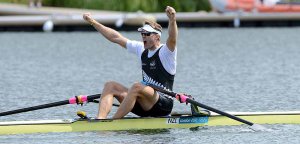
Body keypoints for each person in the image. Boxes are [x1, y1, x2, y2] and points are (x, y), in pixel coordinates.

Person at [83, 6, 178, 119]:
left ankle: (113, 122)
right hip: (144, 104)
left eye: (147, 34)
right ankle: (100, 121)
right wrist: (93, 22)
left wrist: (172, 20)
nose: (143, 36)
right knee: (110, 85)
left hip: (163, 105)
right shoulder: (141, 48)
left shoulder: (166, 52)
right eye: (142, 34)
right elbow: (115, 37)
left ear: (157, 37)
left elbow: (172, 38)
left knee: (137, 86)